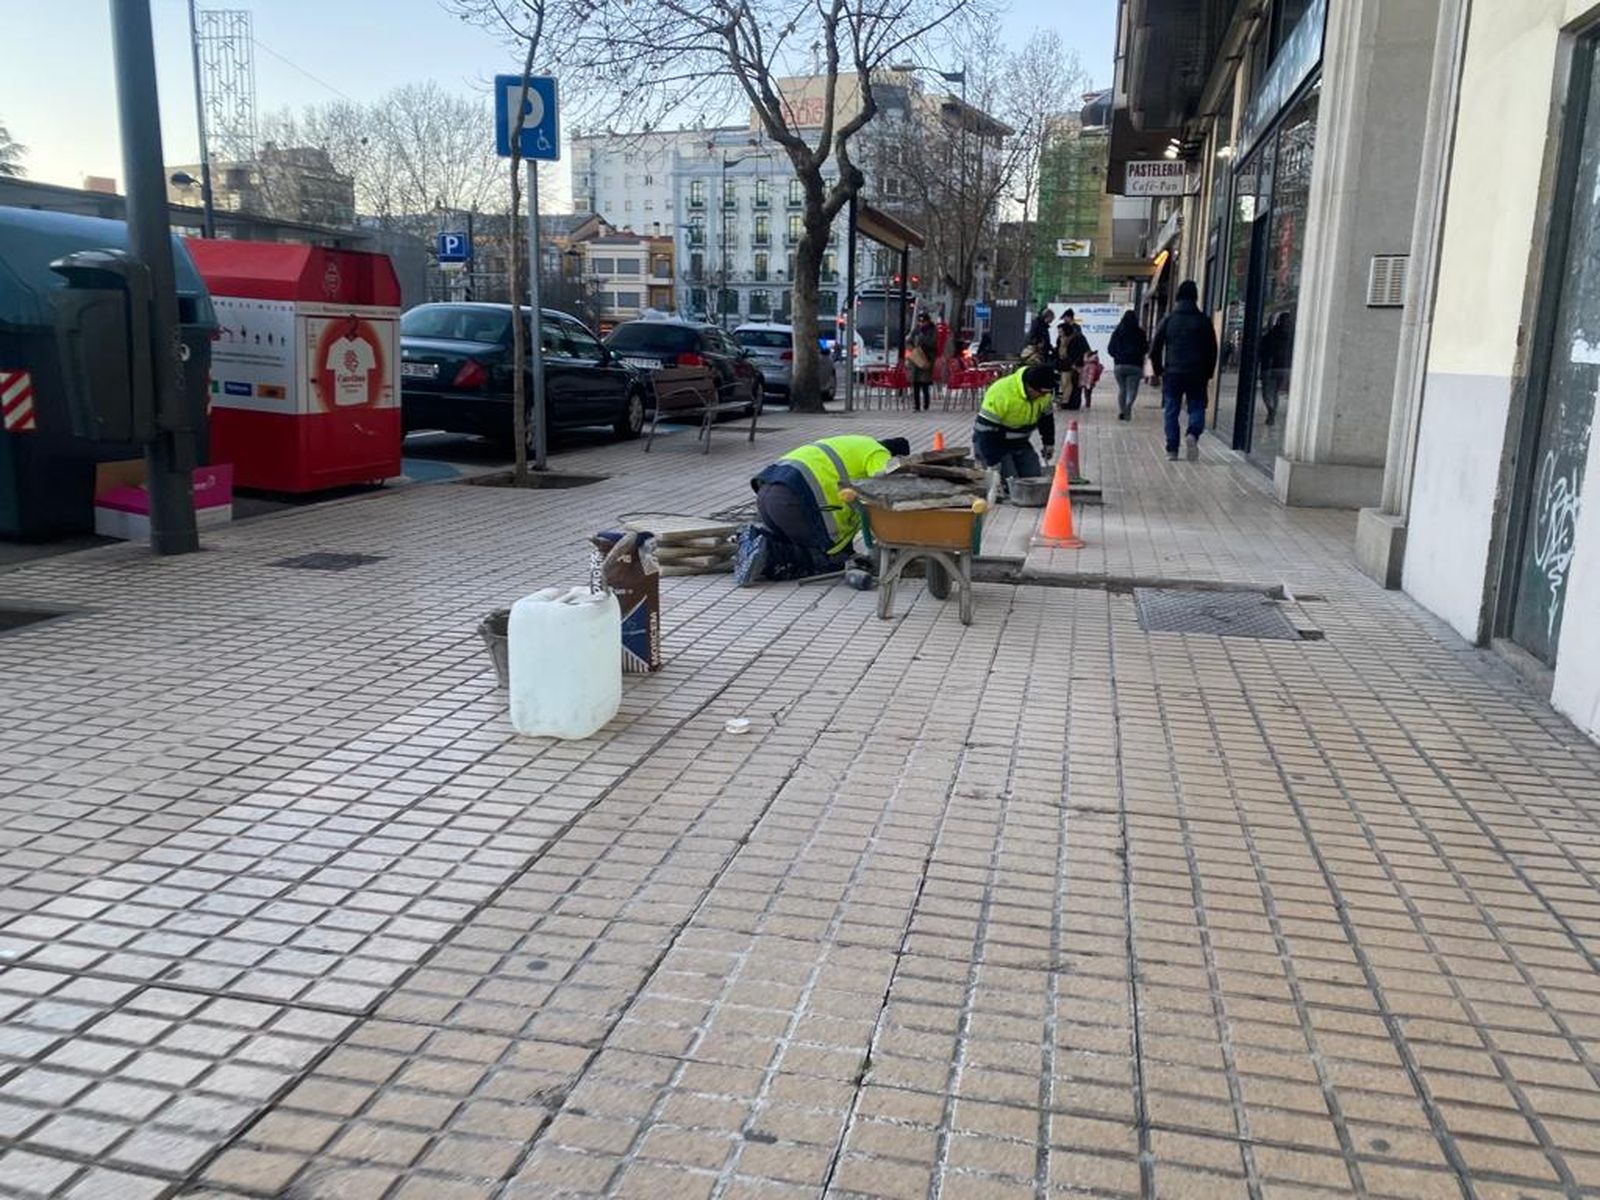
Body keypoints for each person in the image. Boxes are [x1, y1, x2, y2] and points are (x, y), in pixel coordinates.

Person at [734, 435, 912, 585]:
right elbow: (885, 486)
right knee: (826, 562)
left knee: (798, 543)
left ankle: (755, 541)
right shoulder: (879, 452)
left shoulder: (855, 444)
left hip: (766, 492)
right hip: (792, 502)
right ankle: (769, 552)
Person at [1149, 280, 1218, 462]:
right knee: (1197, 406)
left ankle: (1172, 449)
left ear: (1178, 297)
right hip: (1197, 373)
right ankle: (1193, 434)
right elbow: (1212, 350)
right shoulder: (1203, 321)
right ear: (1196, 297)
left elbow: (1155, 347)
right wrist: (1208, 372)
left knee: (1171, 410)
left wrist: (1159, 370)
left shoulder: (1169, 319)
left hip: (1173, 373)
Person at [972, 364, 1058, 483]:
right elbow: (985, 432)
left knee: (1033, 479)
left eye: (1047, 393)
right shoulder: (1001, 393)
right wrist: (993, 463)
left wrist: (1049, 443)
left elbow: (1046, 419)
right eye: (1041, 393)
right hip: (994, 443)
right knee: (1010, 483)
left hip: (1020, 443)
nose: (1044, 396)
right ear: (1029, 387)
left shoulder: (1044, 395)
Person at [1107, 309, 1149, 421]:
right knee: (1132, 389)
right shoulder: (1140, 333)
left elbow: (1110, 349)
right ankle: (1128, 405)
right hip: (1135, 365)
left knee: (1122, 389)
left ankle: (1122, 411)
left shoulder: (1117, 332)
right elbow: (1145, 348)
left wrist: (1118, 356)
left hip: (1120, 365)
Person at [1258, 309, 1294, 427]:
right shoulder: (1293, 337)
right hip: (1284, 368)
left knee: (1268, 393)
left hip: (1271, 368)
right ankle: (1272, 411)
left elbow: (1262, 352)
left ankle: (1271, 411)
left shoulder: (1271, 335)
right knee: (1274, 393)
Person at [1056, 318, 1091, 409]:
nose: (1059, 333)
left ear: (1066, 331)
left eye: (1061, 331)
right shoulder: (1060, 339)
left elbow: (1084, 351)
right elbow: (1058, 351)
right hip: (1064, 365)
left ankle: (1073, 404)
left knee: (1075, 385)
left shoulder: (1078, 338)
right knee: (1065, 384)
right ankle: (1065, 402)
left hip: (1076, 365)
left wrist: (1076, 363)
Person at [907, 313, 938, 412]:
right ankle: (916, 405)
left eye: (923, 321)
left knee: (924, 383)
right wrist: (912, 348)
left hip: (927, 358)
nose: (921, 323)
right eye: (919, 321)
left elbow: (932, 343)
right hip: (916, 359)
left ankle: (926, 404)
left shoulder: (932, 330)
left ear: (928, 321)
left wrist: (922, 339)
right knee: (916, 383)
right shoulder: (916, 330)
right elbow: (909, 341)